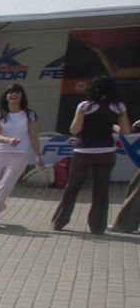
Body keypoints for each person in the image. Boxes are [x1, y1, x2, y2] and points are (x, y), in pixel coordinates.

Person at [51, 75, 131, 233]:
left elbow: (74, 130)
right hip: (107, 152)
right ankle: (97, 227)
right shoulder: (119, 107)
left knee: (72, 187)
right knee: (101, 190)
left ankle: (59, 222)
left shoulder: (85, 106)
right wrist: (112, 126)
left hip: (84, 151)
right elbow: (126, 131)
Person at [0, 83, 43, 227]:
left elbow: (33, 135)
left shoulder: (29, 114)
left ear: (22, 96)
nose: (14, 95)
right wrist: (8, 140)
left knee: (4, 186)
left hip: (19, 156)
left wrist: (38, 156)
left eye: (17, 92)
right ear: (6, 96)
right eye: (11, 92)